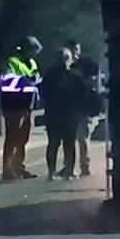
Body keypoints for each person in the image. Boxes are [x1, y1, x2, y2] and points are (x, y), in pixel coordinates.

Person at [40, 48, 89, 181]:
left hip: (53, 114)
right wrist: (83, 113)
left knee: (53, 144)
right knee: (69, 145)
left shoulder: (49, 76)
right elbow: (84, 96)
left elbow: (43, 93)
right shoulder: (76, 77)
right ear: (69, 59)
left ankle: (51, 172)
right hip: (70, 115)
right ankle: (68, 171)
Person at [0, 36, 42, 180]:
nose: (35, 54)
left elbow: (36, 79)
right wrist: (29, 82)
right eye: (33, 51)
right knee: (12, 137)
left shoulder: (31, 62)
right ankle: (8, 169)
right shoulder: (12, 61)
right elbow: (8, 81)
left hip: (27, 105)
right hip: (13, 104)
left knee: (23, 138)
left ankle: (19, 166)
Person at [64, 39, 100, 177]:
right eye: (72, 49)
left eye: (76, 49)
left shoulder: (85, 63)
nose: (75, 52)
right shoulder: (63, 66)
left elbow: (94, 74)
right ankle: (68, 167)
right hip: (68, 106)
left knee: (83, 138)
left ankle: (85, 166)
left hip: (82, 105)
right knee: (69, 139)